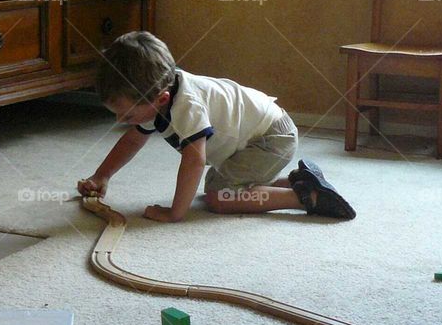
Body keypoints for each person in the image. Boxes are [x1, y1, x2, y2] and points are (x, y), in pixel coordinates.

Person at [77, 31, 355, 222]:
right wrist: (102, 176)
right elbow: (133, 139)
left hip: (271, 138)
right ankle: (298, 180)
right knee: (218, 185)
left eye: (126, 116)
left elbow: (194, 160)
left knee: (218, 198)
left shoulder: (186, 104)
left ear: (160, 98)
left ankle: (308, 197)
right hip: (259, 135)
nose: (120, 121)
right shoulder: (159, 93)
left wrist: (176, 212)